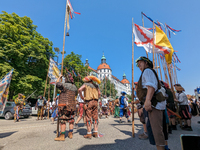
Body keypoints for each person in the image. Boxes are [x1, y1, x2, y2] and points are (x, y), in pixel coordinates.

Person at [136, 56, 169, 150]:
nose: (139, 66)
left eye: (140, 63)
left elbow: (151, 86)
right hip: (156, 104)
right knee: (161, 130)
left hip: (154, 105)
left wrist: (148, 101)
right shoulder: (148, 71)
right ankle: (166, 148)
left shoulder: (147, 71)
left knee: (156, 131)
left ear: (146, 63)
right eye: (138, 65)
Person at [54, 73, 77, 141]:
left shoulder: (64, 85)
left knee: (63, 120)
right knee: (71, 120)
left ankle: (62, 136)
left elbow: (57, 84)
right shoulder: (75, 87)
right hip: (72, 106)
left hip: (64, 106)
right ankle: (70, 133)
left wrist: (59, 77)